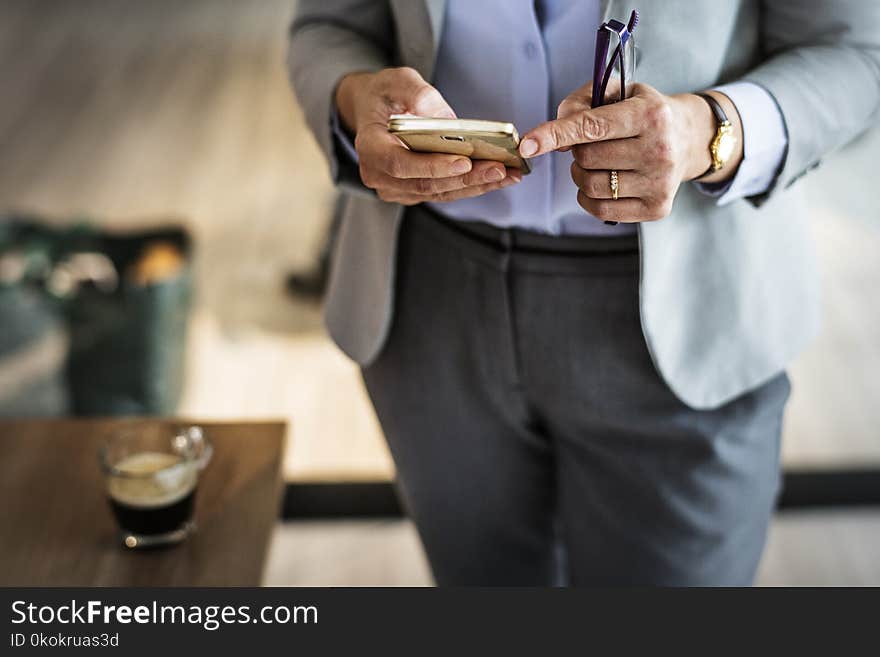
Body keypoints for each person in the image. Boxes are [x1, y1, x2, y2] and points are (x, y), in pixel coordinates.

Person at [288, 0, 880, 585]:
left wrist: (705, 131)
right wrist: (356, 98)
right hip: (430, 303)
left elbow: (856, 55)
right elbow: (328, 26)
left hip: (690, 314)